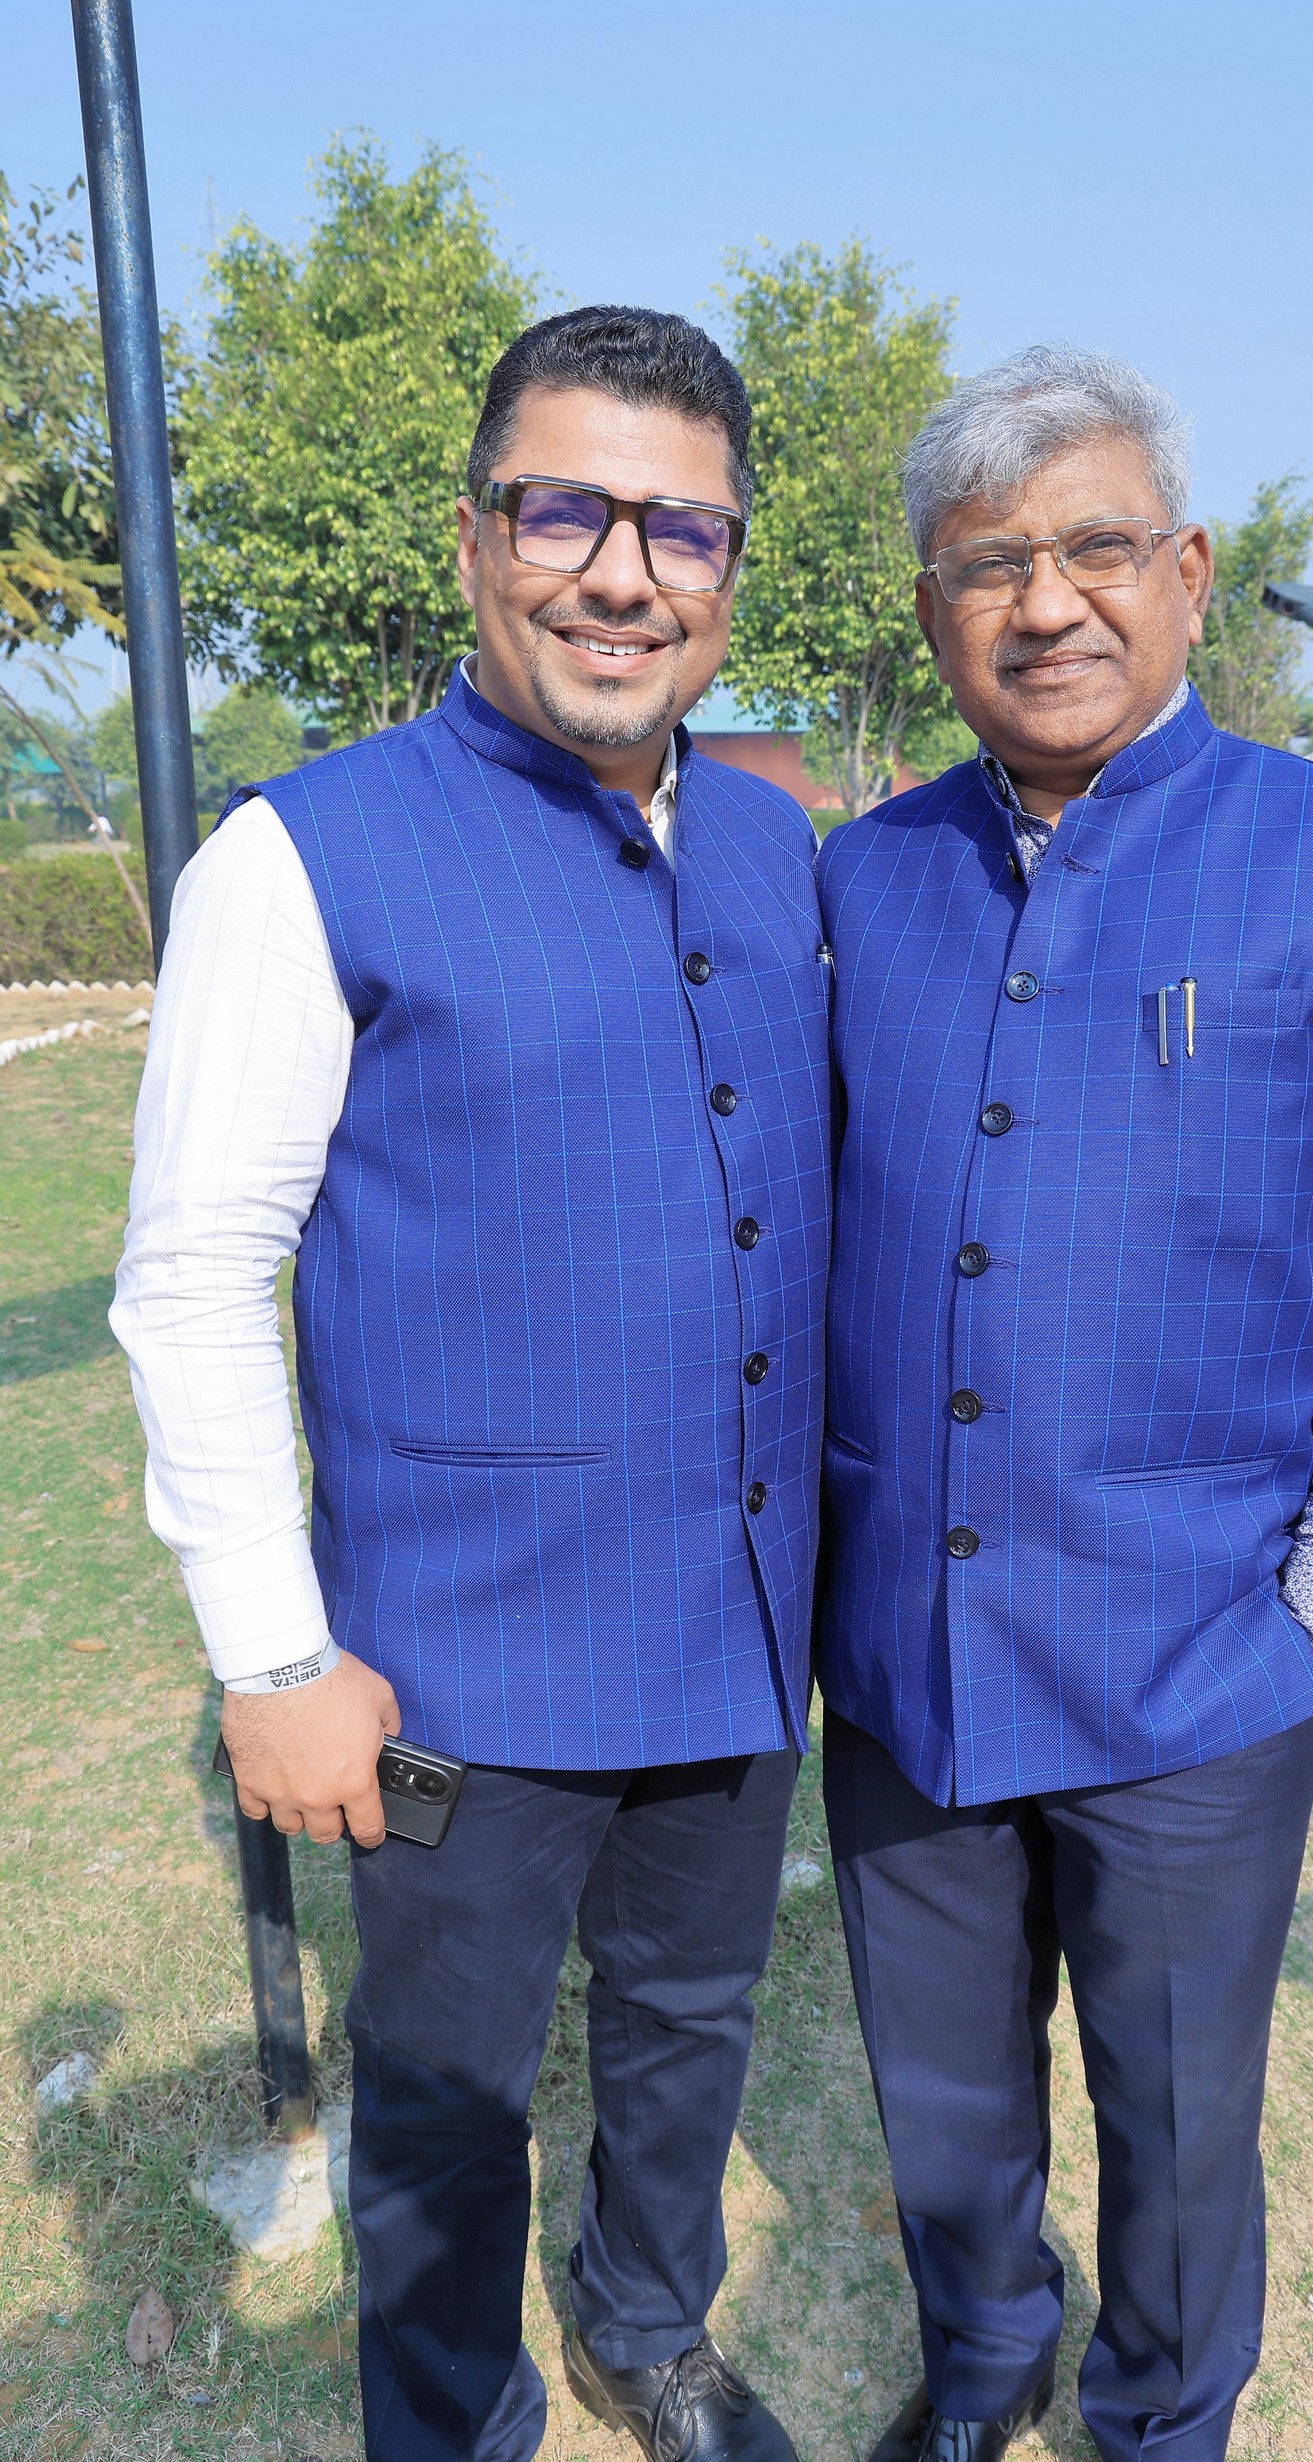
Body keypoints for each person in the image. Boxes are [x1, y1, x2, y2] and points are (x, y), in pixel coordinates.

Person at [112, 307, 832, 2462]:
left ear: (727, 568)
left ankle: (648, 2322)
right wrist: (272, 1653)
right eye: (564, 510)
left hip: (736, 1617)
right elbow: (193, 1276)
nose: (621, 571)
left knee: (691, 2016)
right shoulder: (300, 857)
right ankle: (449, 2419)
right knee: (443, 2089)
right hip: (448, 1663)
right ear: (472, 539)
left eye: (679, 527)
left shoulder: (774, 845)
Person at [815, 345, 1313, 2462]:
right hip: (905, 1651)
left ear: (1188, 572)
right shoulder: (859, 878)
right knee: (940, 2099)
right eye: (986, 565)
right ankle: (981, 2362)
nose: (1045, 603)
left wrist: (1305, 1631)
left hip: (1198, 1668)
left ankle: (1159, 2418)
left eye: (1095, 547)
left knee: (1179, 2117)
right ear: (931, 610)